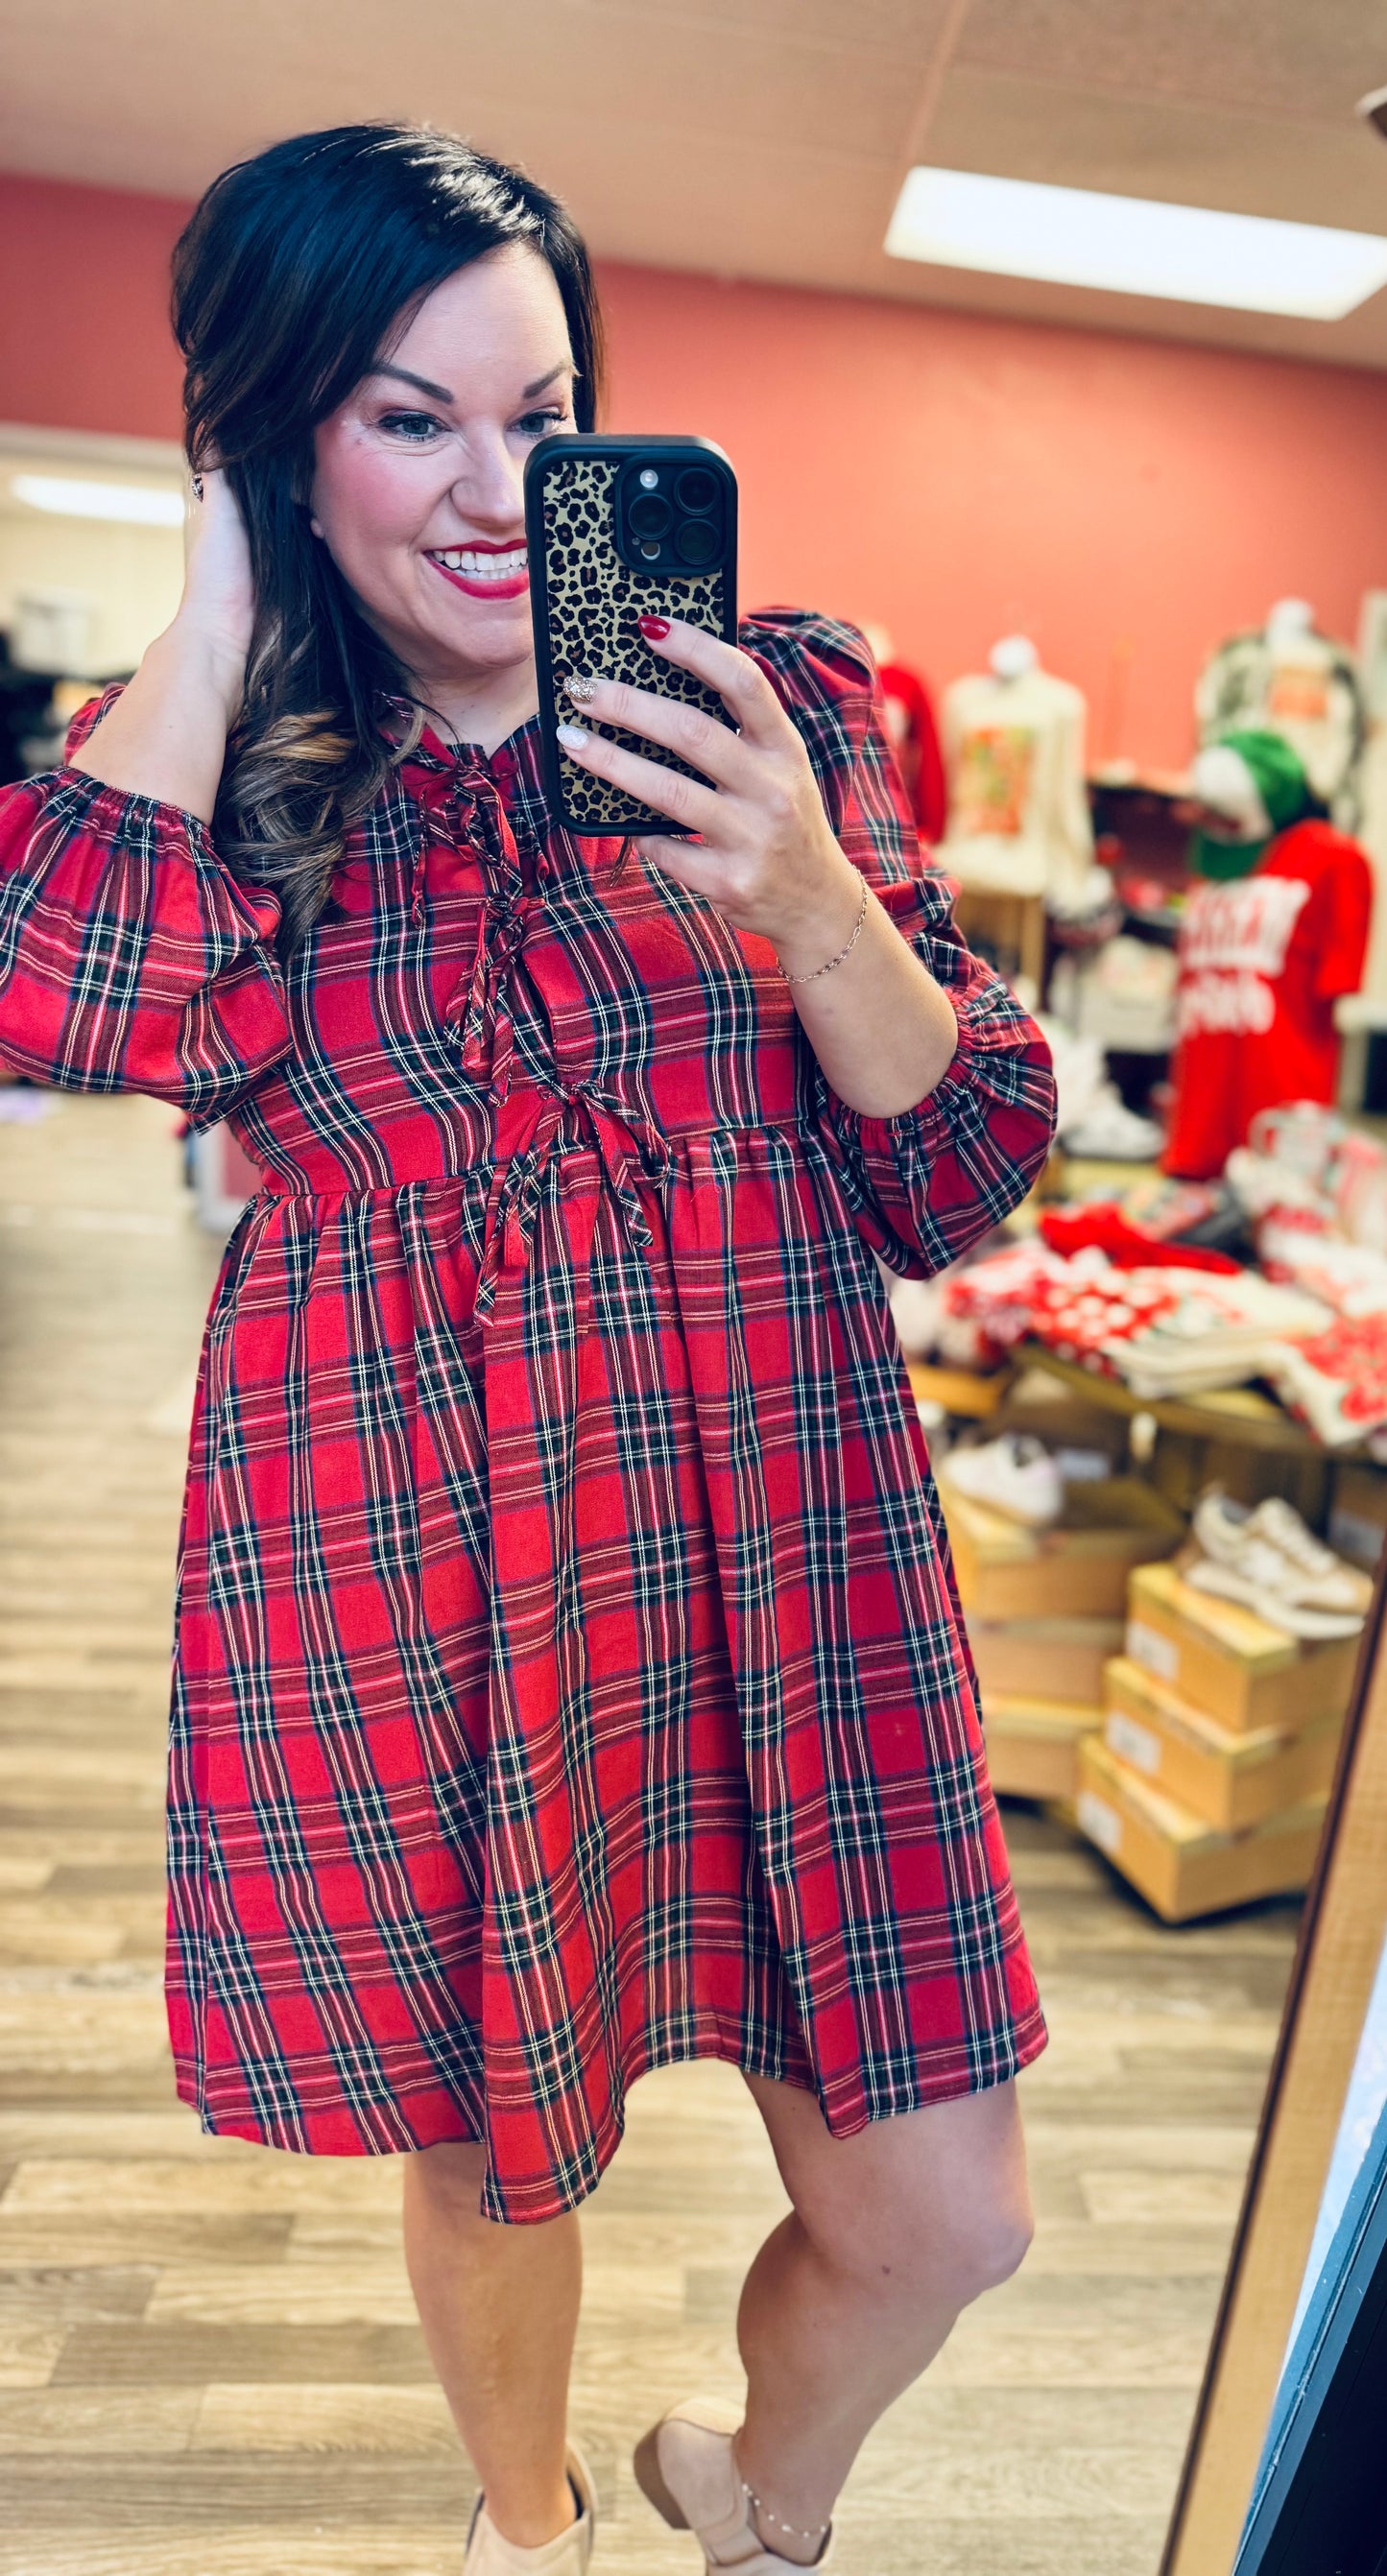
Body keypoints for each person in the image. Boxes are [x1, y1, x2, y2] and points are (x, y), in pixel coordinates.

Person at [0, 125, 1056, 2576]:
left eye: (544, 412)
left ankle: (752, 2494)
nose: (499, 490)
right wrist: (233, 573)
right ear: (277, 432)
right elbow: (52, 1007)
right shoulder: (228, 785)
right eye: (404, 416)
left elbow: (960, 1166)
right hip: (409, 1533)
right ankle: (528, 2528)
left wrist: (802, 891)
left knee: (950, 2207)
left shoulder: (767, 699)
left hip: (782, 1524)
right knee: (491, 2125)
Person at [1164, 728, 1372, 1181]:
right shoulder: (1212, 863)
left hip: (1281, 1143)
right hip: (1196, 1139)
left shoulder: (1332, 860)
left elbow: (1333, 995)